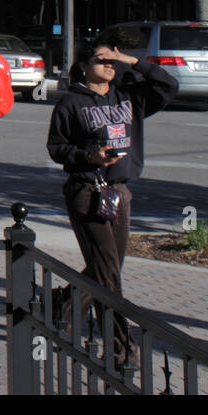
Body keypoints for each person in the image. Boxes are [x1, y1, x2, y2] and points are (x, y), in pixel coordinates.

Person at [45, 38, 177, 368]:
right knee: (108, 275)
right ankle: (123, 347)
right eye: (101, 60)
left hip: (119, 192)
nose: (109, 66)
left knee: (109, 270)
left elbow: (169, 84)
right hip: (87, 192)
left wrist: (132, 61)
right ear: (84, 67)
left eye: (112, 61)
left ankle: (64, 306)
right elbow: (57, 147)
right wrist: (87, 156)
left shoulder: (129, 96)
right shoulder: (71, 103)